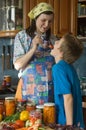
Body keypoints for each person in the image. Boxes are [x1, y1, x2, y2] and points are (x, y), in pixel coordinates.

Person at [13, 2, 57, 105]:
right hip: (28, 91)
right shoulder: (22, 37)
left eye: (50, 21)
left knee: (49, 120)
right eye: (43, 20)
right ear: (35, 19)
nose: (46, 25)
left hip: (50, 91)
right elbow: (17, 65)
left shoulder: (53, 39)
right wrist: (33, 49)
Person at [50, 33, 85, 129]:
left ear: (61, 52)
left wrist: (69, 126)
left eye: (58, 42)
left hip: (67, 123)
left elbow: (68, 97)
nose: (55, 42)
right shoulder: (69, 67)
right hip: (78, 124)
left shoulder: (58, 68)